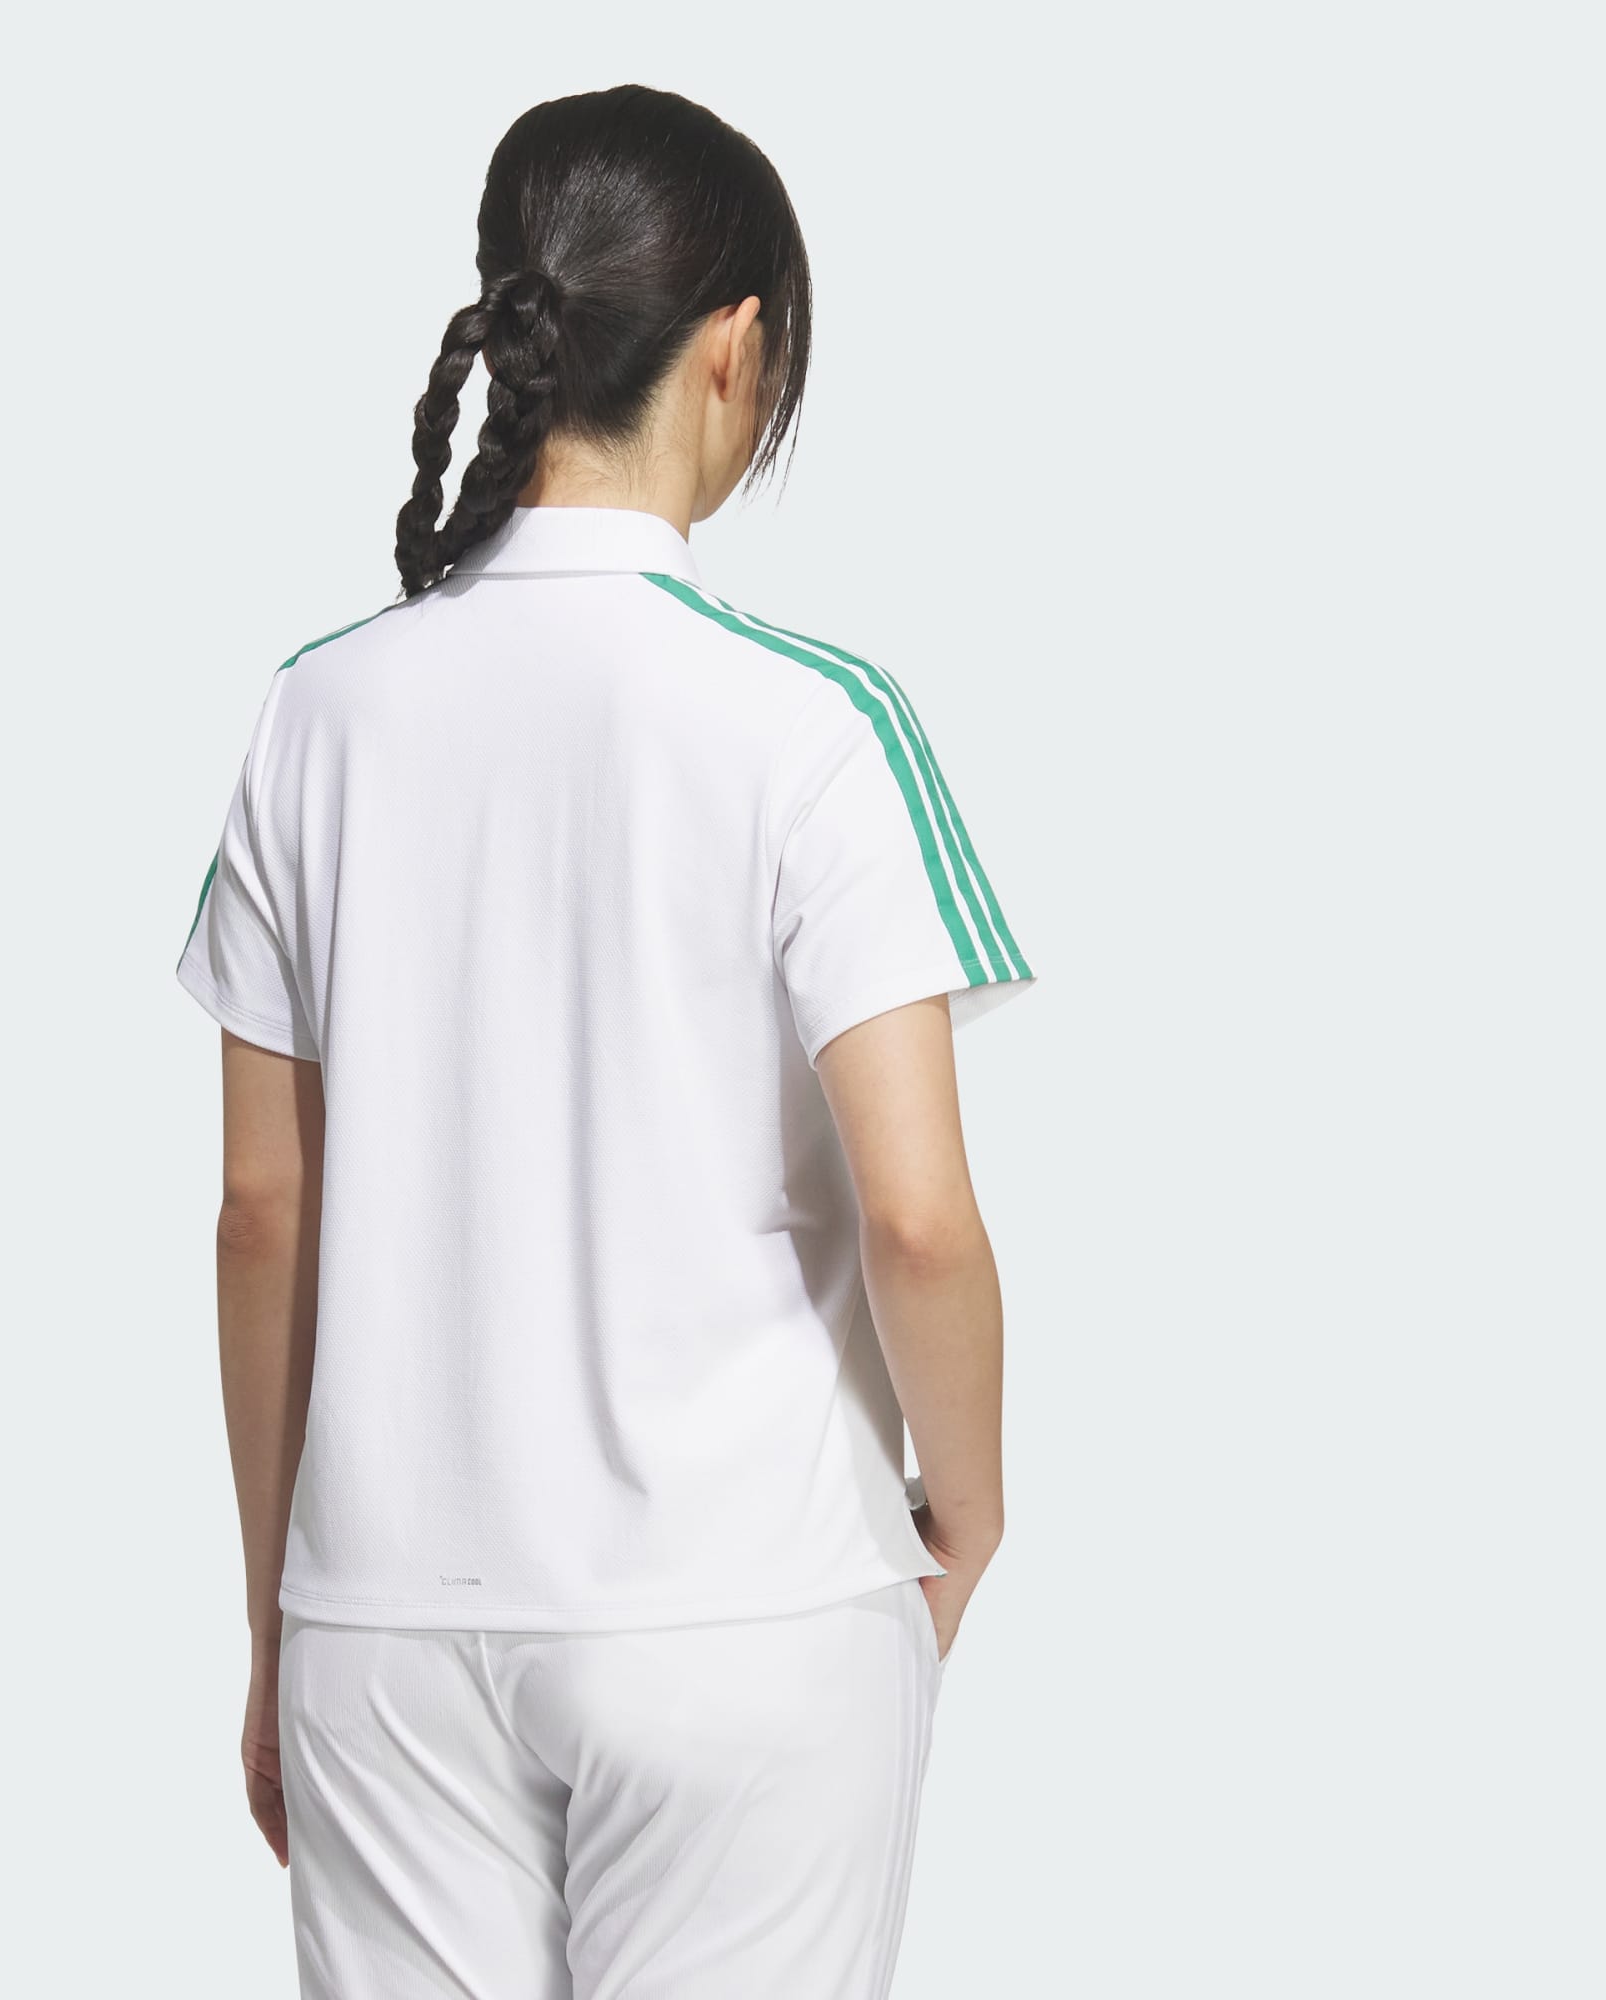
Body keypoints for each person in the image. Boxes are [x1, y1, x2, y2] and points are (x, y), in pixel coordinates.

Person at [176, 83, 1035, 2000]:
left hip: (384, 1624)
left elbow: (259, 1213)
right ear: (737, 349)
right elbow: (919, 1219)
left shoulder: (314, 713)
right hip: (748, 1608)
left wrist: (277, 1621)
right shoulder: (817, 723)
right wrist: (969, 1512)